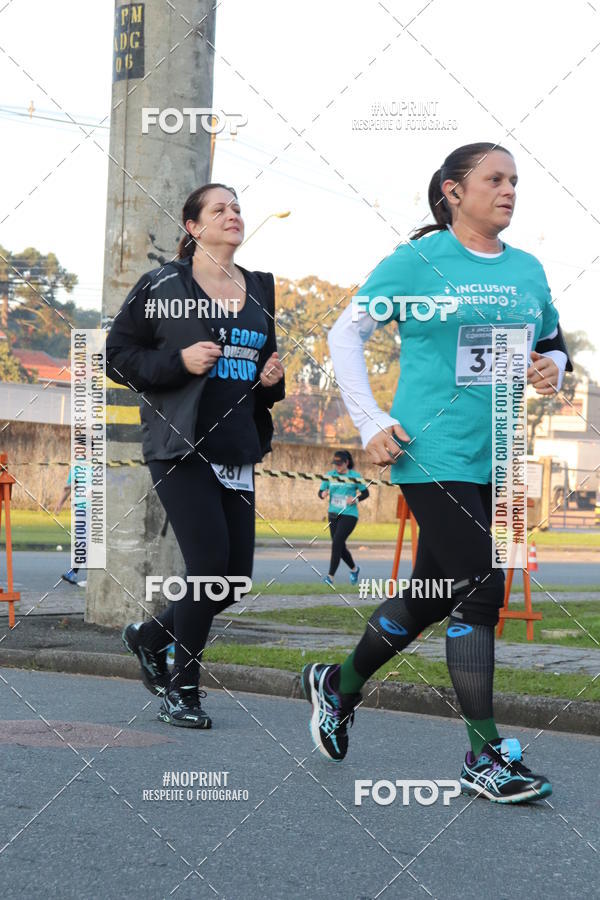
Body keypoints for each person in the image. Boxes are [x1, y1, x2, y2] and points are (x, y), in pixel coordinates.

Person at [303, 143, 572, 803]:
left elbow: (553, 343)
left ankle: (338, 685)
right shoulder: (417, 263)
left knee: (431, 595)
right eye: (494, 179)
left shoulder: (528, 270)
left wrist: (553, 369)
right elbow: (345, 333)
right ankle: (484, 755)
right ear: (454, 191)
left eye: (514, 180)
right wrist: (369, 421)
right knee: (482, 585)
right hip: (432, 451)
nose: (508, 190)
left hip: (501, 458)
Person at [106, 183, 285, 728]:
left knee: (233, 581)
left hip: (236, 448)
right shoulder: (162, 285)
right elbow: (116, 356)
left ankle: (149, 633)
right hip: (180, 445)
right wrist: (179, 361)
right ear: (193, 227)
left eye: (236, 207)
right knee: (208, 568)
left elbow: (260, 371)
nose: (232, 215)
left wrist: (271, 379)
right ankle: (183, 690)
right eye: (219, 209)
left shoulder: (259, 288)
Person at [318, 449, 369, 586]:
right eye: (335, 464)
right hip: (333, 514)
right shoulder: (330, 475)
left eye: (340, 464)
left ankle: (330, 577)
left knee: (337, 543)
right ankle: (354, 569)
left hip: (349, 515)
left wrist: (355, 499)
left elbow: (365, 493)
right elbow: (321, 491)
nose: (337, 466)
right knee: (339, 546)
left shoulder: (355, 476)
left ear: (347, 462)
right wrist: (323, 494)